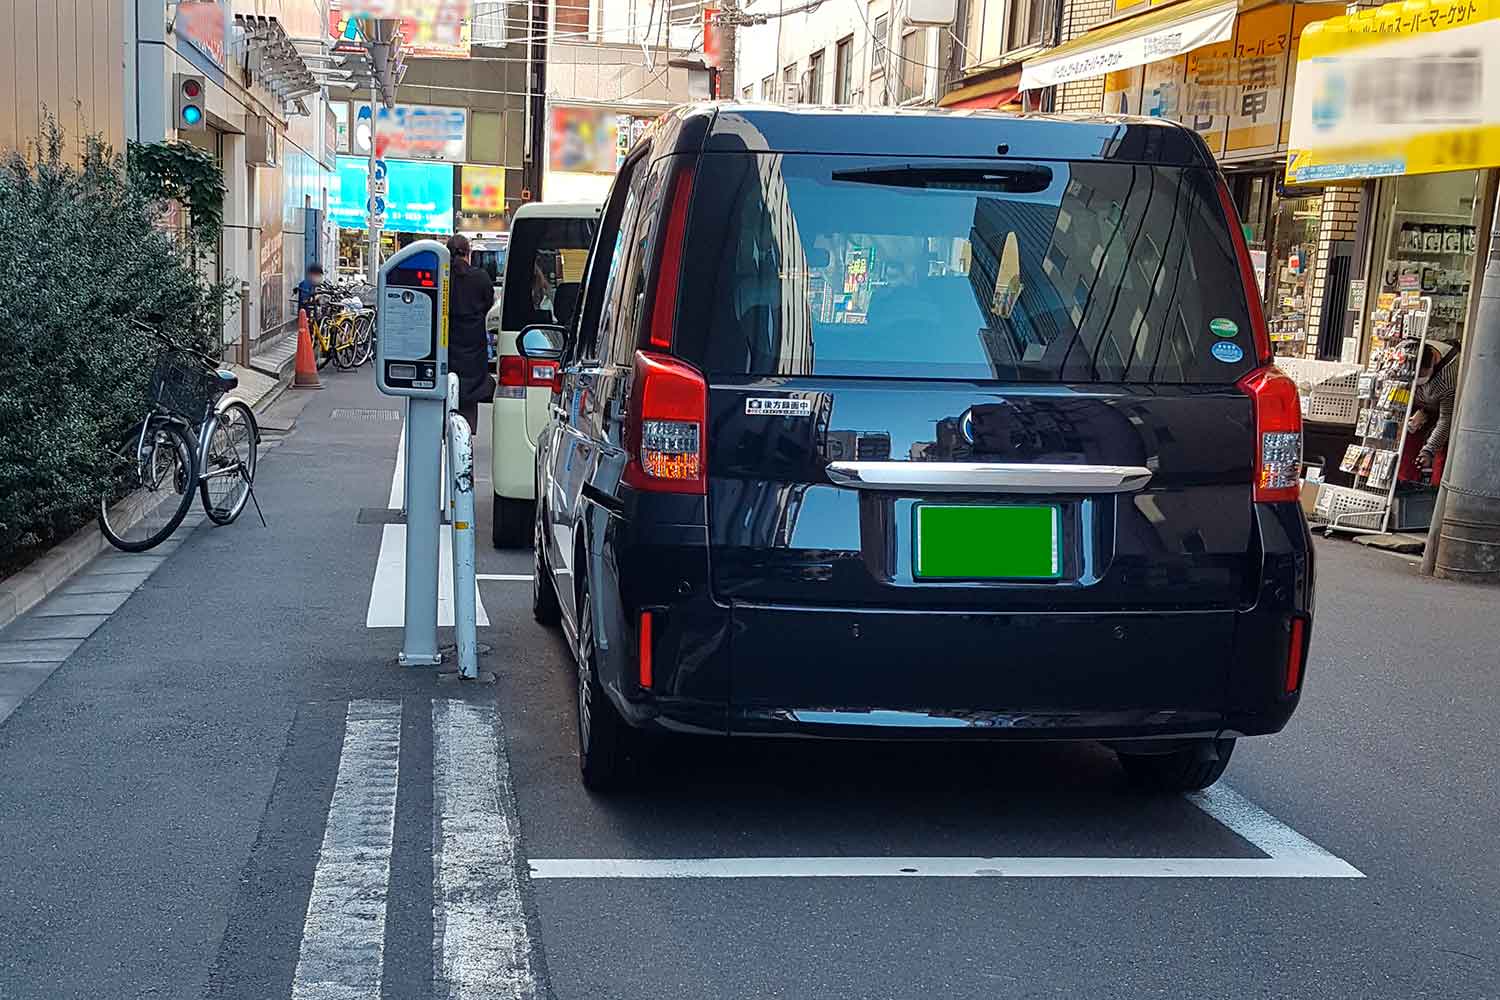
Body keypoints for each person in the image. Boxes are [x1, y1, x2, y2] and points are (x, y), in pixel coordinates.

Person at [446, 235, 496, 434]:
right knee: (470, 390)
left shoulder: (443, 277)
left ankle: (446, 427)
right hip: (473, 341)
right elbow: (488, 302)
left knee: (449, 382)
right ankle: (465, 432)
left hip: (447, 339)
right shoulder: (480, 277)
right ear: (469, 253)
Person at [1400, 339, 1460, 483]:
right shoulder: (1409, 352)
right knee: (1406, 442)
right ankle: (1403, 480)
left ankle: (1435, 488)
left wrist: (1429, 450)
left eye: (1422, 376)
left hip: (1438, 411)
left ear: (1434, 359)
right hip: (1415, 408)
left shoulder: (1448, 378)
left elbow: (1446, 419)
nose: (1420, 381)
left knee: (1441, 451)